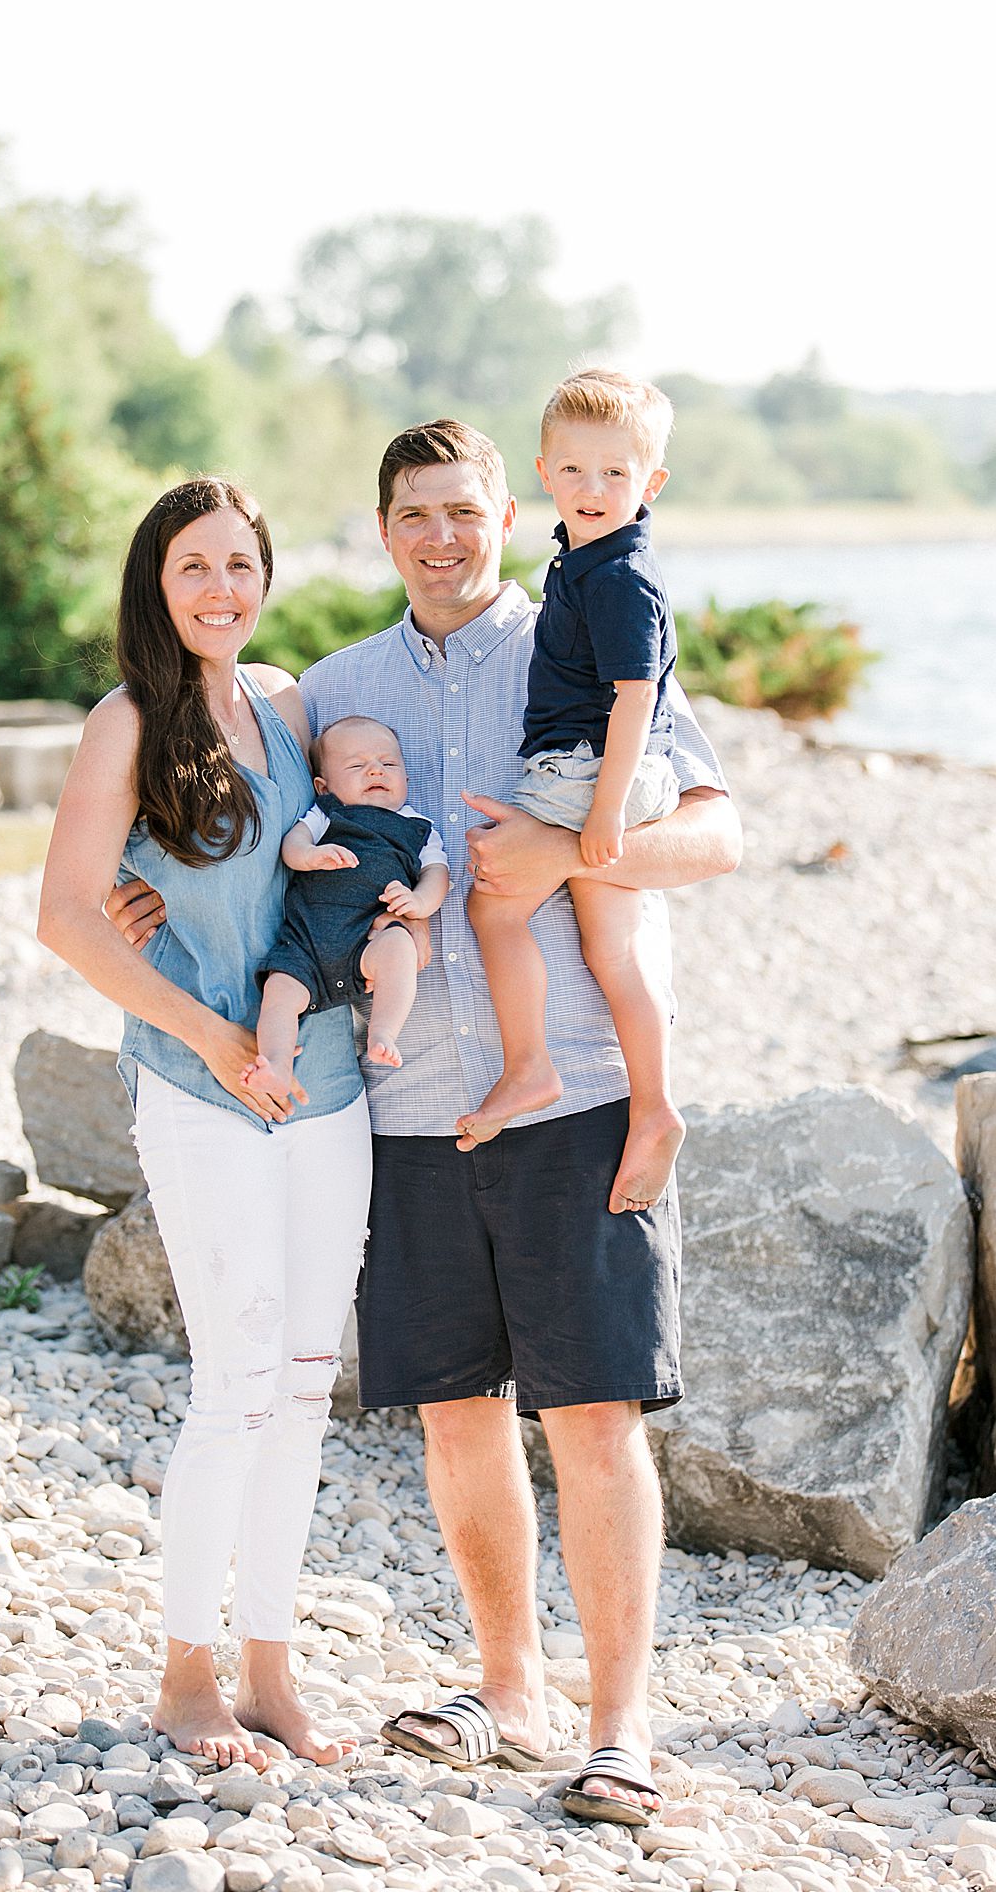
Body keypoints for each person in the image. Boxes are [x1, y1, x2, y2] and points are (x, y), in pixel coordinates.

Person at [111, 422, 742, 1824]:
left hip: (574, 1089)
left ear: (510, 515)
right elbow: (224, 827)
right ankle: (507, 1690)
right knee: (458, 1413)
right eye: (415, 515)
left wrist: (580, 850)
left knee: (592, 1415)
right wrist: (143, 904)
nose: (442, 537)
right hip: (397, 1110)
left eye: (465, 511)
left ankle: (619, 1727)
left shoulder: (580, 640)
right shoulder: (331, 689)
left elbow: (717, 831)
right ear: (384, 530)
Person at [38, 475, 372, 1770]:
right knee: (233, 1384)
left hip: (326, 1083)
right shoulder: (125, 723)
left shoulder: (286, 703)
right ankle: (187, 1679)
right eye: (194, 567)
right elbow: (68, 915)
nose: (221, 589)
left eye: (242, 564)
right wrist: (213, 1037)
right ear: (153, 582)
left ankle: (273, 1673)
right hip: (201, 1088)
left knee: (300, 1389)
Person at [457, 371, 686, 1217]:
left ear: (650, 483)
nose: (594, 490)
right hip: (597, 769)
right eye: (576, 471)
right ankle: (655, 1103)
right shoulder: (587, 560)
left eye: (616, 474)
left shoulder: (621, 578)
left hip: (592, 767)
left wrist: (598, 814)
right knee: (612, 953)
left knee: (496, 907)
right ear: (544, 473)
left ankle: (529, 1066)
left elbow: (635, 699)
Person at [245, 715, 450, 1097]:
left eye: (389, 764)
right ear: (324, 786)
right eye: (357, 765)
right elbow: (293, 846)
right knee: (279, 994)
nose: (376, 770)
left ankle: (384, 1032)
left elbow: (438, 875)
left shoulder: (418, 826)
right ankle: (275, 1063)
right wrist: (311, 856)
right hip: (304, 944)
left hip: (366, 941)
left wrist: (418, 902)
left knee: (400, 949)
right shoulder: (326, 815)